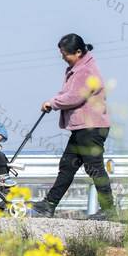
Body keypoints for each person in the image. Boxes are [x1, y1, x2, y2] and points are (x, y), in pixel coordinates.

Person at [31, 33, 117, 220]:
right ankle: (49, 204)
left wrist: (53, 103)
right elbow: (67, 92)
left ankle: (109, 209)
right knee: (68, 165)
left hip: (91, 127)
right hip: (83, 127)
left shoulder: (86, 70)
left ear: (78, 52)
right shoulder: (78, 68)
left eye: (65, 54)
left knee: (94, 167)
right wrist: (55, 100)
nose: (63, 58)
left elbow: (74, 96)